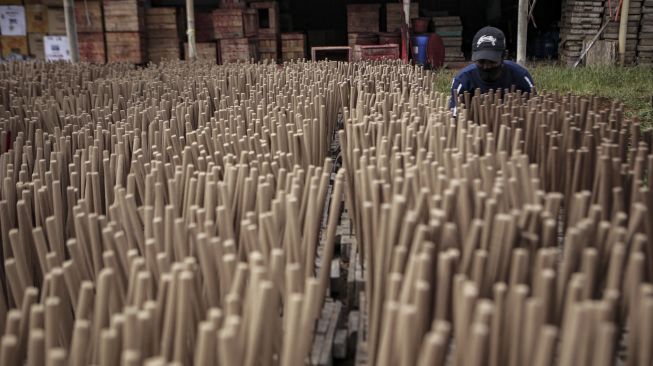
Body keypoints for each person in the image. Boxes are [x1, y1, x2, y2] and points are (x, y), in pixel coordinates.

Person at [449, 26, 535, 114]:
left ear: (504, 56)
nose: (486, 66)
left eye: (492, 61)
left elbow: (534, 108)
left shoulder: (521, 77)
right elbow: (454, 114)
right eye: (481, 61)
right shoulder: (462, 80)